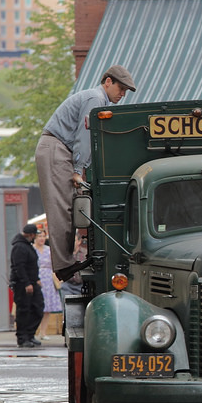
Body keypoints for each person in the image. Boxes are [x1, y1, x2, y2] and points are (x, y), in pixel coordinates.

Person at [36, 64, 135, 282]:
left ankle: (66, 263)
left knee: (71, 205)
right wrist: (78, 170)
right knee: (63, 206)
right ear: (107, 82)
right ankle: (64, 267)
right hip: (57, 149)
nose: (122, 94)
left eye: (126, 91)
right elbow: (84, 137)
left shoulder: (98, 100)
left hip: (59, 149)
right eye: (121, 88)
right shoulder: (95, 99)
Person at [10, 223, 45, 349]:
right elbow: (19, 267)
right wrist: (26, 283)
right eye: (35, 235)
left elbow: (31, 266)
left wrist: (36, 280)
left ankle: (30, 334)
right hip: (23, 285)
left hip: (32, 282)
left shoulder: (27, 246)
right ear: (30, 235)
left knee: (38, 308)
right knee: (23, 311)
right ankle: (22, 338)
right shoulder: (19, 247)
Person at [33, 229, 63, 339]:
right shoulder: (32, 249)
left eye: (43, 236)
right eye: (39, 236)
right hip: (36, 277)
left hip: (48, 279)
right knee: (36, 306)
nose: (41, 238)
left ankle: (43, 332)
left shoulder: (49, 250)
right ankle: (34, 331)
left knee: (47, 308)